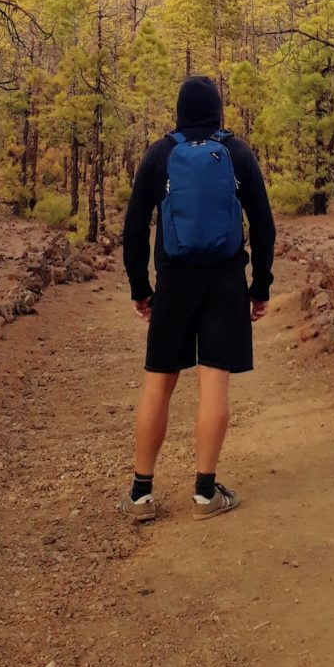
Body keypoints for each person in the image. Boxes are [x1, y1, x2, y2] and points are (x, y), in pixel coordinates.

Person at [119, 73, 276, 522]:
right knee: (214, 385)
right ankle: (206, 493)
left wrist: (140, 287)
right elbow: (264, 227)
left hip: (173, 283)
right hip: (225, 284)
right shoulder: (238, 152)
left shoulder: (160, 153)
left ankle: (141, 494)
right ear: (218, 110)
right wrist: (259, 286)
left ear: (179, 111)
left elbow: (134, 227)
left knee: (159, 384)